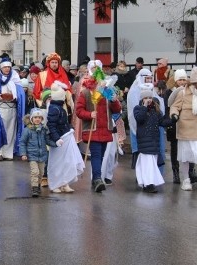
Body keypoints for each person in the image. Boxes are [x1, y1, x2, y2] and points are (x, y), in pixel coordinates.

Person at [75, 60, 122, 193]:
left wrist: (114, 101)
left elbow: (116, 109)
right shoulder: (86, 92)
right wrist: (90, 114)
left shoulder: (107, 90)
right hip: (92, 128)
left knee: (101, 156)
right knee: (96, 154)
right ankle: (97, 179)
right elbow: (79, 111)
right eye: (93, 69)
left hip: (105, 128)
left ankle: (96, 178)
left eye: (98, 69)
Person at [133, 85, 175, 193]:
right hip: (144, 141)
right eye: (146, 98)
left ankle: (149, 183)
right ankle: (148, 184)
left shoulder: (155, 110)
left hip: (154, 140)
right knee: (147, 164)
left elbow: (161, 122)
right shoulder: (138, 108)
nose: (148, 100)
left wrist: (172, 120)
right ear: (142, 99)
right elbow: (139, 118)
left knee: (152, 163)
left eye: (150, 98)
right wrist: (144, 107)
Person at [0, 59, 25, 161]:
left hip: (12, 108)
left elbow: (21, 94)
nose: (7, 69)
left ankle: (8, 153)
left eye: (8, 67)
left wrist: (16, 97)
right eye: (5, 67)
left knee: (11, 131)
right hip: (0, 109)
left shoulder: (15, 77)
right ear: (1, 68)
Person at [20, 108, 50, 197]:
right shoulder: (27, 130)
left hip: (42, 155)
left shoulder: (44, 129)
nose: (37, 119)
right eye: (35, 117)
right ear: (31, 119)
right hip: (32, 155)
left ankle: (38, 185)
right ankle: (34, 188)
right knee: (35, 172)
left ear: (42, 119)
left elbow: (47, 140)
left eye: (39, 117)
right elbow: (22, 142)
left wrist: (56, 143)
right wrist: (23, 154)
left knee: (41, 173)